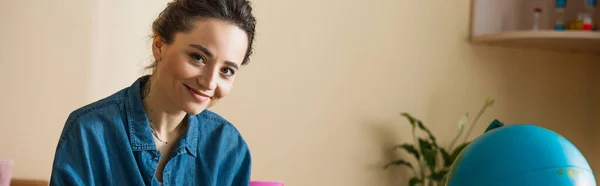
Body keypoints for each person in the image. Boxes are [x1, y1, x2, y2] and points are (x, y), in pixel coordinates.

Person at [50, 0, 257, 185]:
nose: (209, 82)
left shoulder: (229, 148)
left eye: (226, 71)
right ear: (159, 46)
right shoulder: (89, 132)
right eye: (198, 57)